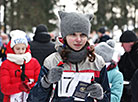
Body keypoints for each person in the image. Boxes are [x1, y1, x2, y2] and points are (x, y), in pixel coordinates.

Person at [27, 11, 110, 102]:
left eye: (82, 35)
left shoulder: (97, 62)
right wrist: (45, 82)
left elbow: (107, 98)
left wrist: (101, 96)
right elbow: (33, 100)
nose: (78, 40)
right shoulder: (52, 62)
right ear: (64, 36)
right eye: (73, 34)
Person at [0, 30, 41, 102]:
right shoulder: (6, 64)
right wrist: (20, 87)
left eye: (23, 48)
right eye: (18, 49)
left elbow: (39, 84)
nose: (21, 51)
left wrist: (30, 86)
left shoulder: (34, 62)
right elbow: (4, 88)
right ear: (12, 48)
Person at [118, 30, 138, 102]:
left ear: (130, 43)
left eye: (123, 43)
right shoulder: (126, 55)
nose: (121, 45)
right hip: (127, 92)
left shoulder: (134, 55)